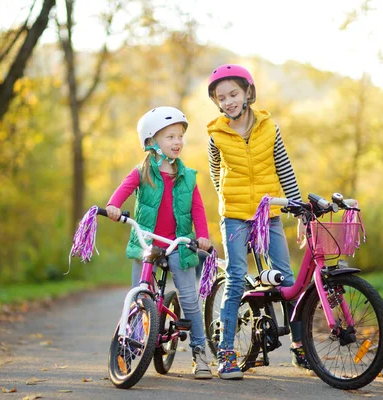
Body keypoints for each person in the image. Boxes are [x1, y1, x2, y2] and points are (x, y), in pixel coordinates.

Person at [205, 64, 310, 380]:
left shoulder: (269, 127)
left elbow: (285, 169)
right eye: (221, 97)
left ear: (248, 93)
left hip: (269, 214)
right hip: (235, 216)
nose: (228, 101)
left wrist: (299, 209)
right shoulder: (216, 135)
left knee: (287, 281)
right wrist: (231, 203)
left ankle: (300, 346)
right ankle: (226, 353)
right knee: (236, 276)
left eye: (233, 94)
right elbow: (214, 173)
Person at [105, 106, 213, 379]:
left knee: (189, 297)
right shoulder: (142, 172)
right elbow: (123, 190)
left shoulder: (188, 176)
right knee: (139, 296)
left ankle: (200, 354)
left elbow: (198, 208)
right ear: (152, 142)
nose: (177, 142)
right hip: (148, 242)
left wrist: (202, 236)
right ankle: (130, 348)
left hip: (179, 243)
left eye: (180, 137)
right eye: (170, 137)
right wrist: (113, 207)